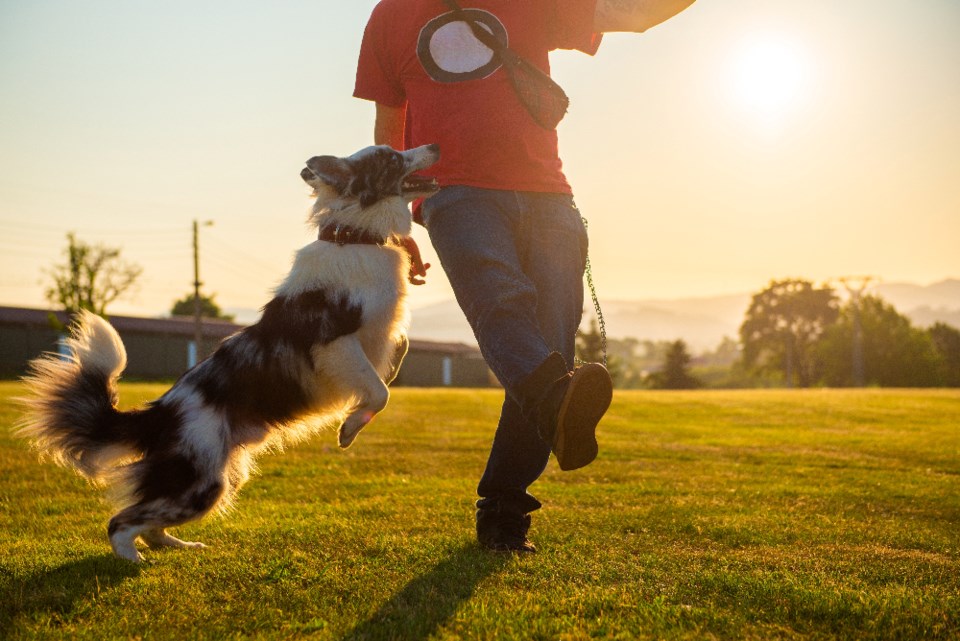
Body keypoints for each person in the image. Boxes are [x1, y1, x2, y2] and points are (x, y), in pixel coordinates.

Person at [354, 0, 696, 552]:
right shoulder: (392, 13)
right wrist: (392, 218)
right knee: (502, 307)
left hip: (549, 197)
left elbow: (633, 13)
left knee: (547, 350)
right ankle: (539, 427)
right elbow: (388, 124)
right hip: (454, 193)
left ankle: (505, 508)